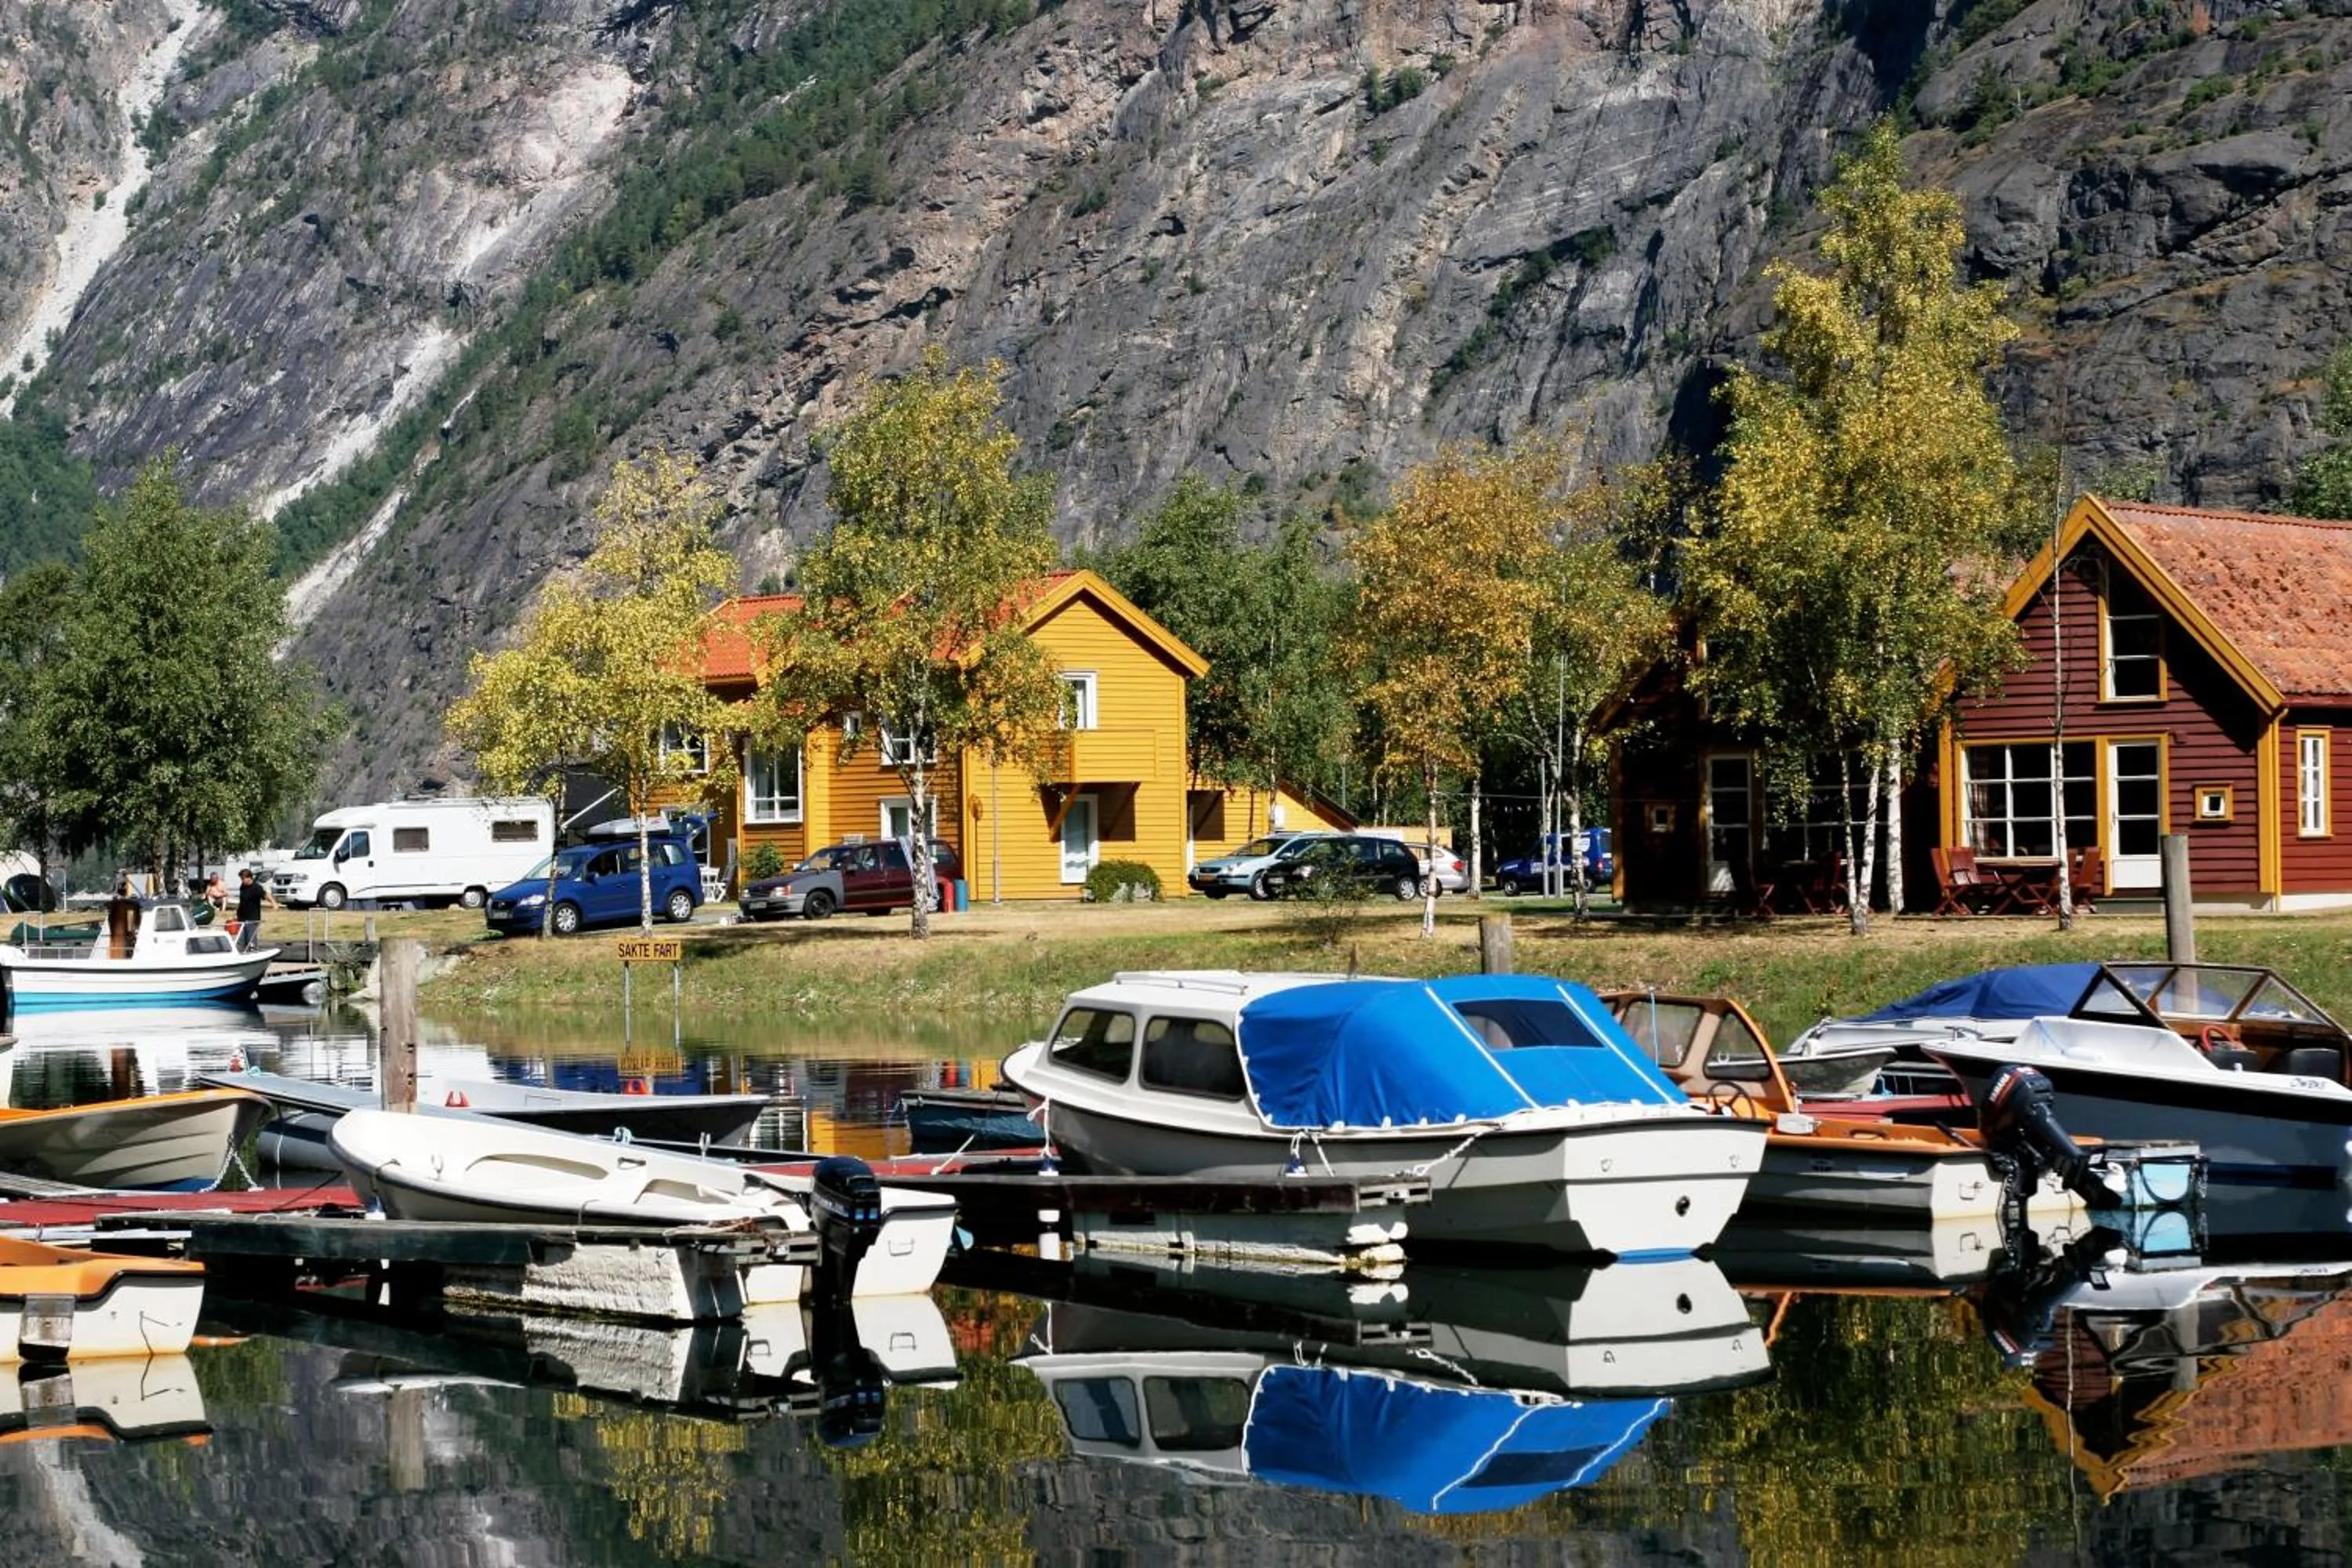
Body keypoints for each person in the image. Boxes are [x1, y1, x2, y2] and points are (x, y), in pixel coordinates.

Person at [234, 868, 275, 952]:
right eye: (241, 879)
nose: (242, 881)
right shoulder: (242, 887)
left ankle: (254, 953)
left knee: (251, 940)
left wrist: (274, 903)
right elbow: (242, 902)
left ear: (249, 878)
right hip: (242, 918)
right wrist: (237, 914)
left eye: (243, 879)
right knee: (240, 940)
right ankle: (241, 956)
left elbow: (266, 895)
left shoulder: (256, 888)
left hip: (252, 918)